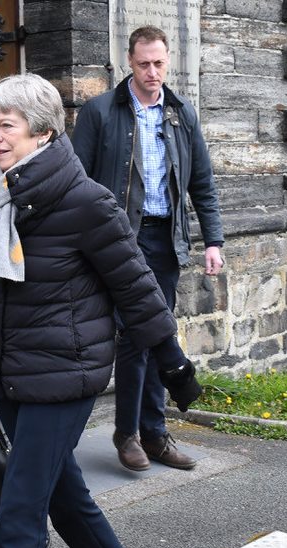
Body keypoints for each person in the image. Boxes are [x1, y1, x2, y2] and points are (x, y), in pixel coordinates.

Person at [0, 73, 202, 548]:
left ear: (42, 132)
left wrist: (174, 366)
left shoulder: (86, 202)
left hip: (65, 378)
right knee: (63, 496)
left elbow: (138, 290)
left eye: (7, 125)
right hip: (10, 376)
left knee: (19, 517)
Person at [72, 25, 224, 472]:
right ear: (129, 63)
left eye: (159, 63)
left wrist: (213, 239)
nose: (153, 72)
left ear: (168, 60)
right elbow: (77, 180)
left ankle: (150, 434)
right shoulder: (101, 112)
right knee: (132, 337)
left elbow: (202, 183)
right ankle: (134, 433)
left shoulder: (181, 113)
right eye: (144, 64)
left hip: (164, 241)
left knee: (158, 334)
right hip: (119, 242)